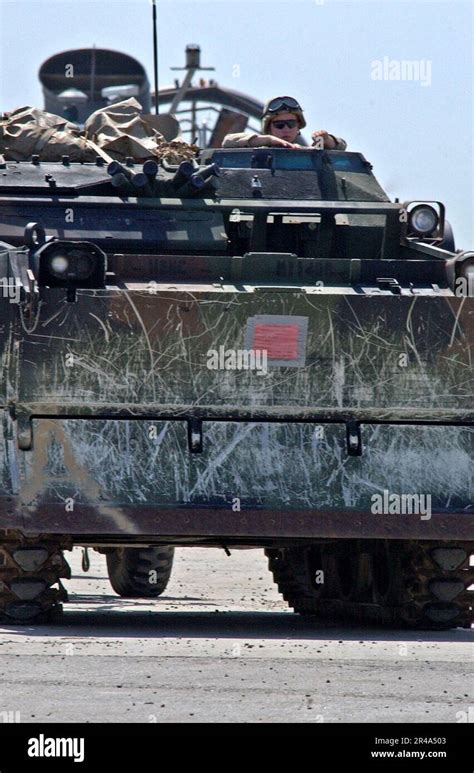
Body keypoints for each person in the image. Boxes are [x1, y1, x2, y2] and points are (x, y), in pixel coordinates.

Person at [222, 95, 346, 150]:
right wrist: (269, 140)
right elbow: (228, 141)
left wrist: (326, 139)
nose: (286, 128)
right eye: (279, 125)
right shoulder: (256, 151)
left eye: (291, 124)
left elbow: (340, 146)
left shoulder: (306, 154)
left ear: (298, 126)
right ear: (269, 128)